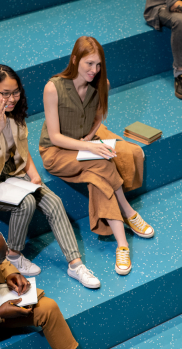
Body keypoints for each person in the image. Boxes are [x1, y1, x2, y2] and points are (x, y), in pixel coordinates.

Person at [0, 64, 100, 289]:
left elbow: (22, 152)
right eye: (4, 93)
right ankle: (13, 256)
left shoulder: (16, 114)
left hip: (11, 174)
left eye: (15, 92)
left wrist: (35, 177)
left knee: (53, 201)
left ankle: (76, 265)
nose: (11, 98)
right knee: (25, 203)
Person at [40, 36, 152, 276]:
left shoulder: (103, 84)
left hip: (82, 144)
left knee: (100, 171)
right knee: (102, 160)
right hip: (56, 152)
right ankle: (129, 213)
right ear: (74, 60)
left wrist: (90, 138)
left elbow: (99, 116)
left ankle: (122, 244)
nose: (94, 70)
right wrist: (89, 148)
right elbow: (55, 137)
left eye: (98, 64)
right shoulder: (53, 88)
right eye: (89, 63)